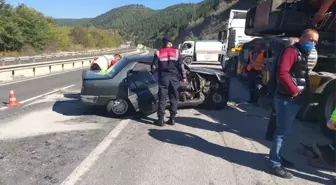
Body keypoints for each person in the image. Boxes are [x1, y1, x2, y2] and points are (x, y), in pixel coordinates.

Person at [268, 29, 319, 179]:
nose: (313, 43)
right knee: (281, 133)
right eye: (311, 40)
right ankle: (274, 164)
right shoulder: (291, 51)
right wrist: (294, 90)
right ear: (302, 37)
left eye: (316, 41)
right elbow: (282, 73)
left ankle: (277, 157)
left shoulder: (302, 53)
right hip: (287, 98)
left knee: (284, 132)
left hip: (293, 99)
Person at [265, 37, 300, 142]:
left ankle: (270, 134)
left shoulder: (281, 55)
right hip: (280, 88)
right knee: (277, 114)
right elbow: (279, 73)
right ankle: (272, 135)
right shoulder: (286, 55)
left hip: (277, 87)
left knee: (275, 113)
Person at [152, 36, 187, 126]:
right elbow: (181, 67)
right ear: (171, 43)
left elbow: (154, 67)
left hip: (163, 78)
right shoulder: (176, 52)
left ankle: (160, 120)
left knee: (162, 99)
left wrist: (156, 76)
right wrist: (184, 78)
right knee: (174, 98)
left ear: (164, 43)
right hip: (174, 79)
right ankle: (172, 119)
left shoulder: (158, 52)